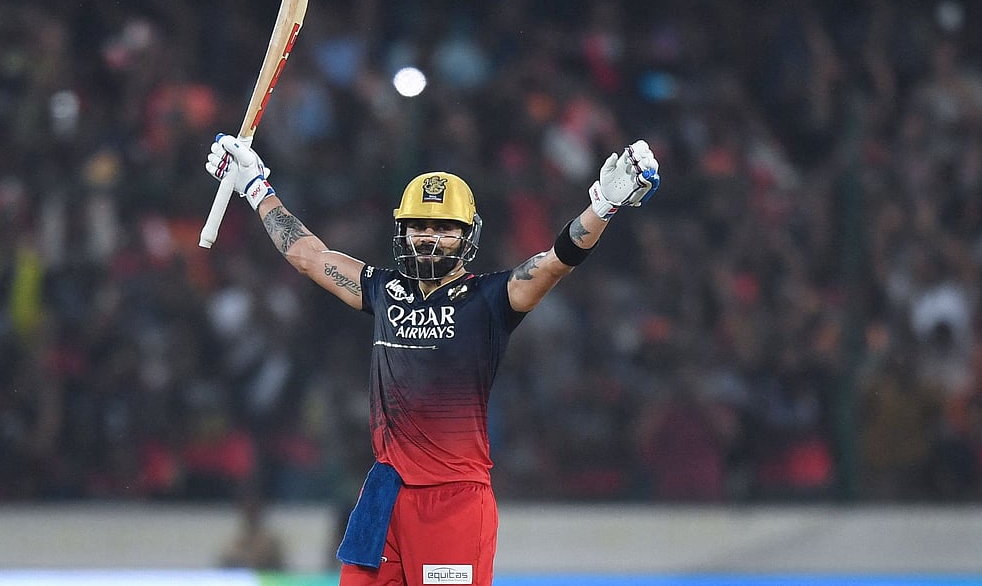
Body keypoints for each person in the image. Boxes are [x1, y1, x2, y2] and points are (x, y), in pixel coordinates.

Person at [205, 133, 659, 585]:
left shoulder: (490, 299)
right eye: (419, 226)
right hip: (384, 496)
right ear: (402, 231)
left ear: (467, 236)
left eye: (444, 228)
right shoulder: (383, 291)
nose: (429, 238)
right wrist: (256, 189)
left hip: (454, 500)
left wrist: (602, 208)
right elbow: (309, 256)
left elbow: (556, 261)